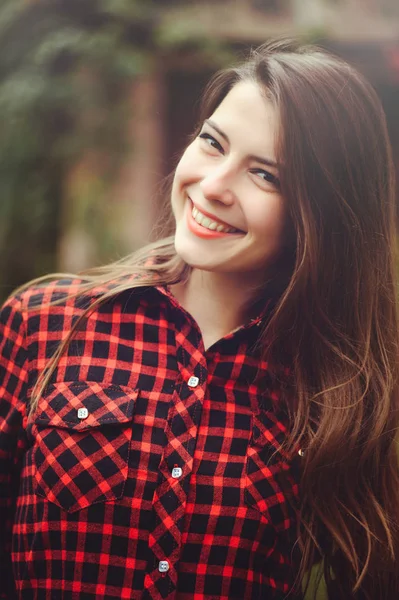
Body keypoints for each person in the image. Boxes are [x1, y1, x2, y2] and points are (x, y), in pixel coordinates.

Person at [0, 37, 398, 600]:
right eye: (213, 143)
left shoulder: (338, 392)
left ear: (325, 213)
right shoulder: (44, 325)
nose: (213, 187)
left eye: (266, 175)